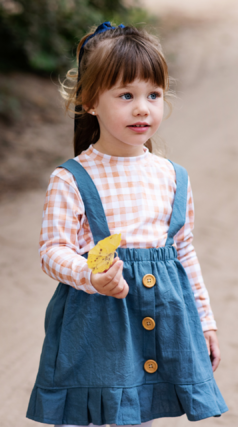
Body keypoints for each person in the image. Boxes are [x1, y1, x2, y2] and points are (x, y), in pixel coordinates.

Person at [26, 22, 228, 427]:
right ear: (89, 101)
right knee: (102, 413)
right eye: (126, 95)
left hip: (165, 320)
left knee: (140, 416)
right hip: (99, 326)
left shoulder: (173, 176)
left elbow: (183, 251)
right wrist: (89, 273)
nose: (143, 108)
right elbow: (52, 251)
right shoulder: (71, 179)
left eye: (153, 94)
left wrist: (204, 322)